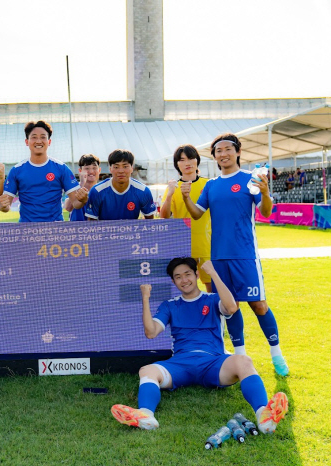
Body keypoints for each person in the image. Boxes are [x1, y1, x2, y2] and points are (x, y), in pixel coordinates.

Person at [110, 258, 288, 433]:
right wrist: (146, 299)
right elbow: (151, 332)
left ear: (196, 275)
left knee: (244, 361)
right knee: (147, 371)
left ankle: (263, 416)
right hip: (180, 363)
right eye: (178, 277)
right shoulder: (170, 305)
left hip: (213, 362)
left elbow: (232, 308)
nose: (184, 280)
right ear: (173, 281)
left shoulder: (212, 299)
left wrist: (213, 273)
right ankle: (146, 416)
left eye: (188, 274)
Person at [180, 133, 289, 376]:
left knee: (259, 304)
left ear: (238, 152)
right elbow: (197, 213)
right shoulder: (211, 185)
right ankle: (241, 358)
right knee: (230, 308)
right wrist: (186, 198)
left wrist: (266, 192)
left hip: (245, 256)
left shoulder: (251, 179)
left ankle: (277, 355)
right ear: (214, 156)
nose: (223, 154)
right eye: (219, 151)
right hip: (218, 258)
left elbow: (266, 212)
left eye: (228, 149)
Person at [0, 120, 88, 222]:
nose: (39, 141)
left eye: (43, 137)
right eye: (34, 137)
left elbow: (76, 203)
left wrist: (83, 199)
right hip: (26, 229)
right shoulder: (17, 170)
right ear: (27, 142)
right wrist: (2, 205)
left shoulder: (61, 168)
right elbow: (5, 206)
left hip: (55, 228)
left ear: (49, 142)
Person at [159, 145, 212, 292]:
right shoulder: (173, 187)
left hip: (207, 245)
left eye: (190, 158)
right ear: (177, 164)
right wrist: (169, 194)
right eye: (182, 160)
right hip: (183, 247)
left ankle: (214, 315)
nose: (187, 163)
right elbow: (164, 216)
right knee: (186, 289)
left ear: (197, 160)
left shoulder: (209, 184)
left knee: (212, 288)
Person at [85, 149, 156, 221]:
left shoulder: (143, 191)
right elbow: (91, 225)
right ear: (110, 169)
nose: (121, 171)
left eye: (125, 166)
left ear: (132, 168)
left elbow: (150, 223)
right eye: (116, 167)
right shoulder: (97, 191)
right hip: (105, 232)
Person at [65, 154, 101, 221]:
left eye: (94, 168)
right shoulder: (74, 189)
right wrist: (81, 184)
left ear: (99, 170)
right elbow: (68, 208)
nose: (91, 171)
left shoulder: (103, 190)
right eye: (87, 168)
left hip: (97, 229)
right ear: (80, 171)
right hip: (76, 229)